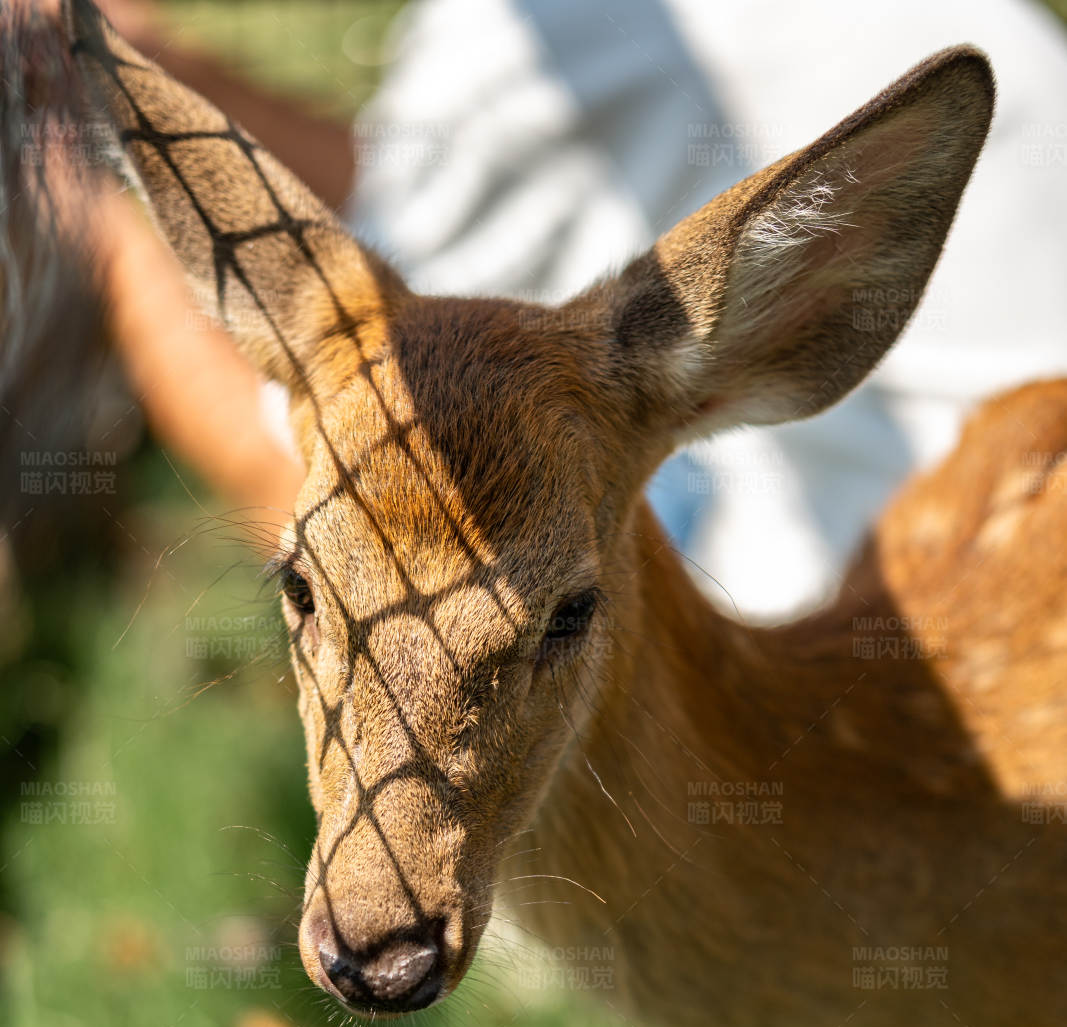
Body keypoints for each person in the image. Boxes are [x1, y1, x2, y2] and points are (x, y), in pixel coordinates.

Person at [91, 0, 1067, 615]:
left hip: (797, 624)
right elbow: (401, 205)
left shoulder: (538, 37)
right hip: (958, 521)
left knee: (360, 497)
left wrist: (94, 212)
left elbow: (325, 384)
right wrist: (119, 58)